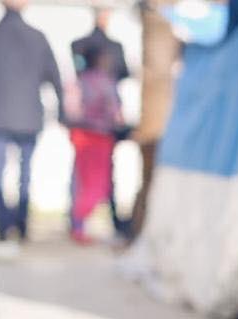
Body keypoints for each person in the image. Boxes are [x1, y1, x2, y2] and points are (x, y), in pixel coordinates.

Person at [0, 0, 63, 242]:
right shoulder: (38, 37)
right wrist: (62, 111)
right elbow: (55, 78)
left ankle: (2, 224)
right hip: (29, 115)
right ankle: (21, 223)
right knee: (25, 172)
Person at [71, 7, 130, 243]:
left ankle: (77, 225)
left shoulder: (80, 79)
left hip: (79, 133)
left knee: (81, 179)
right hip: (100, 136)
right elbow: (115, 111)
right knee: (99, 182)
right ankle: (81, 223)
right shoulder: (106, 81)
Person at [130, 1, 181, 241]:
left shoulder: (162, 22)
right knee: (153, 183)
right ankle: (142, 235)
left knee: (152, 183)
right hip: (159, 128)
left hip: (158, 127)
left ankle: (141, 235)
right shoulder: (163, 22)